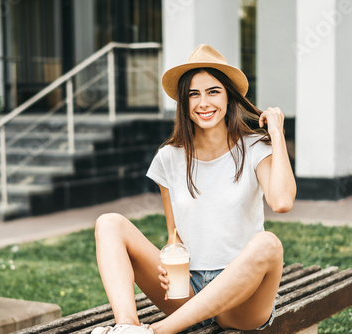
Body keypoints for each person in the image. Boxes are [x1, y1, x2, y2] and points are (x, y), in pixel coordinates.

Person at [92, 44, 296, 334]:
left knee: (269, 244)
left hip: (241, 300)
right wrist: (169, 254)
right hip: (186, 292)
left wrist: (275, 133)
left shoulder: (254, 148)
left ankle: (155, 332)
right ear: (184, 103)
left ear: (228, 97)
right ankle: (126, 326)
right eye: (193, 94)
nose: (203, 103)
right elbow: (174, 233)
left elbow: (283, 201)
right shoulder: (169, 157)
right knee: (108, 223)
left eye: (213, 91)